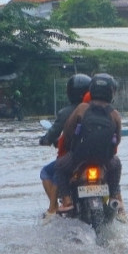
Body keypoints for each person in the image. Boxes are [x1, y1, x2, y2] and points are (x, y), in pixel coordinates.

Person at [55, 73, 126, 221]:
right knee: (117, 165)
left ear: (92, 90)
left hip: (78, 158)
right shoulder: (115, 115)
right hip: (104, 160)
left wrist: (69, 146)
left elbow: (68, 132)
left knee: (59, 167)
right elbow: (117, 140)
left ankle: (67, 199)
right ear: (111, 92)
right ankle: (114, 196)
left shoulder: (82, 108)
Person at [39, 74, 91, 220]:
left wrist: (45, 140)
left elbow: (53, 133)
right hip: (98, 156)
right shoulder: (98, 110)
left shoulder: (66, 112)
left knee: (50, 171)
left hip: (72, 157)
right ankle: (119, 205)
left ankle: (54, 207)